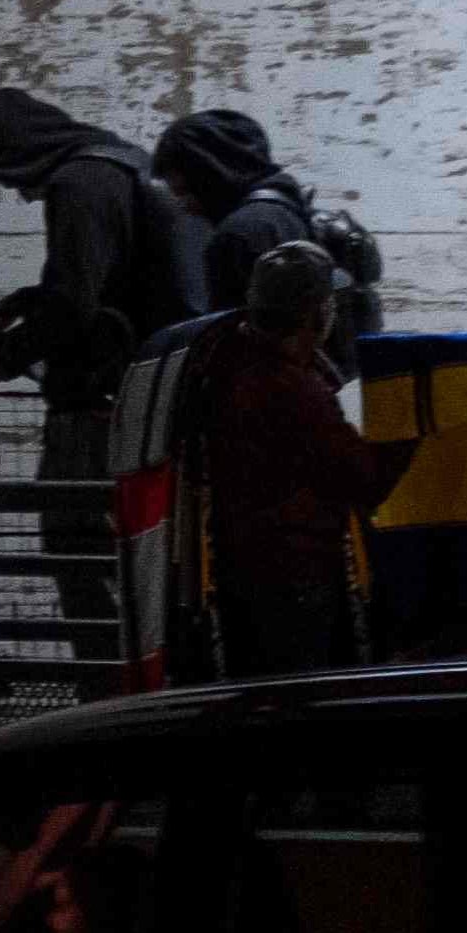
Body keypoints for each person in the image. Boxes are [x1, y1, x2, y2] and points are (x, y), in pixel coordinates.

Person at [0, 85, 196, 667]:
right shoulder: (123, 163)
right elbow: (109, 282)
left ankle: (103, 700)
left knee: (76, 551)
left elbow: (75, 304)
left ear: (19, 154)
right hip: (147, 403)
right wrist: (17, 303)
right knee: (129, 565)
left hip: (96, 414)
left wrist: (7, 354)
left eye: (10, 180)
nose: (20, 193)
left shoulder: (77, 184)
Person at [166, 243, 414, 684]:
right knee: (304, 710)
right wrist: (417, 425)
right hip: (296, 582)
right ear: (312, 314)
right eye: (329, 302)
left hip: (239, 577)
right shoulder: (293, 389)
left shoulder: (226, 360)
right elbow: (364, 480)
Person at [150, 107, 373, 335]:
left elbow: (229, 345)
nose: (186, 207)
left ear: (209, 177)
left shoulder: (237, 236)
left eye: (185, 192)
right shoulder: (290, 211)